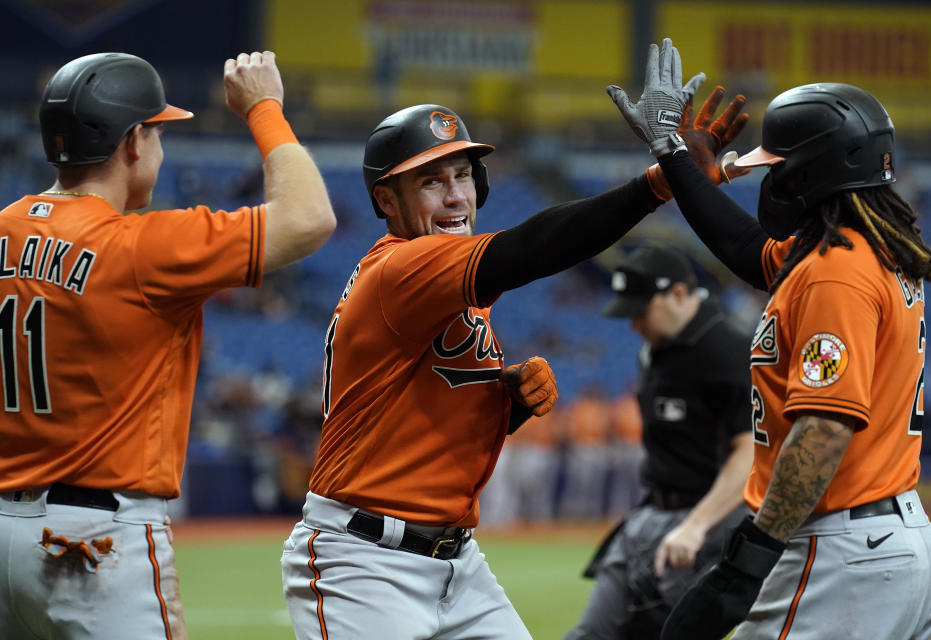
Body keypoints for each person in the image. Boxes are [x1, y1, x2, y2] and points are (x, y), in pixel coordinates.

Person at [279, 45, 751, 638]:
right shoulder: (403, 268)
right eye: (431, 182)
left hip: (452, 560)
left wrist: (506, 408)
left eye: (462, 176)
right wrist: (660, 180)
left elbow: (410, 428)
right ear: (386, 201)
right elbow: (536, 246)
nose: (455, 196)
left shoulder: (447, 286)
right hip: (364, 561)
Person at [608, 38, 931, 639]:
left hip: (839, 551)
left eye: (776, 166)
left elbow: (823, 429)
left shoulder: (833, 272)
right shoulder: (861, 249)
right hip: (884, 542)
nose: (768, 177)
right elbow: (746, 249)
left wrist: (746, 562)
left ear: (810, 173)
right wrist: (673, 159)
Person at [0, 51, 336, 639]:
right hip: (92, 537)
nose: (160, 147)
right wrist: (264, 108)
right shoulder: (145, 246)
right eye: (158, 133)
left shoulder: (4, 228)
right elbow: (309, 217)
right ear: (134, 141)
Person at [566, 246, 753, 639]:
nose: (633, 324)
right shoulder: (653, 351)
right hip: (650, 514)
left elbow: (750, 452)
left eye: (640, 311)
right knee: (591, 633)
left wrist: (697, 525)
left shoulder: (727, 350)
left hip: (707, 521)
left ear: (679, 295)